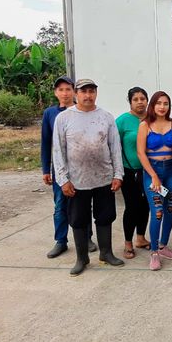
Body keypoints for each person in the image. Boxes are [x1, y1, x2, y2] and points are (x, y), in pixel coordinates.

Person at [52, 78, 125, 276]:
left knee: (105, 217)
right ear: (76, 94)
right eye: (84, 91)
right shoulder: (64, 118)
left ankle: (106, 253)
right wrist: (63, 180)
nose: (88, 95)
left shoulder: (106, 117)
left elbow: (115, 148)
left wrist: (118, 174)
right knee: (78, 220)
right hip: (77, 181)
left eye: (91, 91)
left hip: (103, 178)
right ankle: (82, 258)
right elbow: (58, 151)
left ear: (96, 93)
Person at [42, 76, 97, 258]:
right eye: (61, 90)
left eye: (68, 89)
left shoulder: (83, 112)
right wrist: (45, 169)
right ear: (55, 93)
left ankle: (87, 238)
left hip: (81, 168)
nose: (64, 93)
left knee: (84, 205)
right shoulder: (50, 114)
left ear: (74, 92)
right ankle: (61, 240)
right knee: (60, 205)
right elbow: (46, 143)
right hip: (59, 169)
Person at [137, 91, 172, 271]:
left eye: (166, 103)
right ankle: (154, 252)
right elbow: (141, 153)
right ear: (152, 105)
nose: (162, 107)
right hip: (152, 171)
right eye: (159, 103)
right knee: (157, 212)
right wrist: (153, 175)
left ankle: (163, 246)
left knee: (169, 209)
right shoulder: (145, 125)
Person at [116, 87, 150, 260]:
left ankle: (141, 238)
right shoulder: (122, 121)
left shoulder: (152, 119)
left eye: (142, 98)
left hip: (149, 171)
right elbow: (114, 147)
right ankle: (128, 242)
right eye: (135, 99)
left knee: (146, 205)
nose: (139, 102)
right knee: (132, 207)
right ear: (130, 102)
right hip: (129, 171)